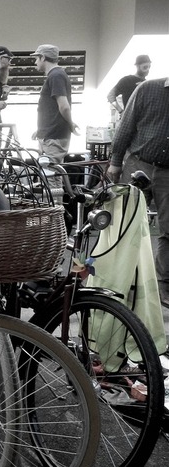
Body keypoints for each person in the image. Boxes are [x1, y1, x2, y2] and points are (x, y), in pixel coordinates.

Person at [106, 76, 169, 310]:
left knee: (168, 231)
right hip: (138, 163)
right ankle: (121, 281)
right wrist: (115, 161)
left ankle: (162, 287)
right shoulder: (147, 89)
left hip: (168, 173)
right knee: (126, 224)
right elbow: (126, 126)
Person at [30, 44, 79, 163]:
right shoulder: (55, 75)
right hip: (50, 135)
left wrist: (70, 124)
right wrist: (41, 130)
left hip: (54, 137)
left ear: (43, 57)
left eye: (36, 58)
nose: (35, 62)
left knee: (51, 176)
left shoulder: (56, 76)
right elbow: (52, 109)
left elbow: (64, 106)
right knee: (50, 175)